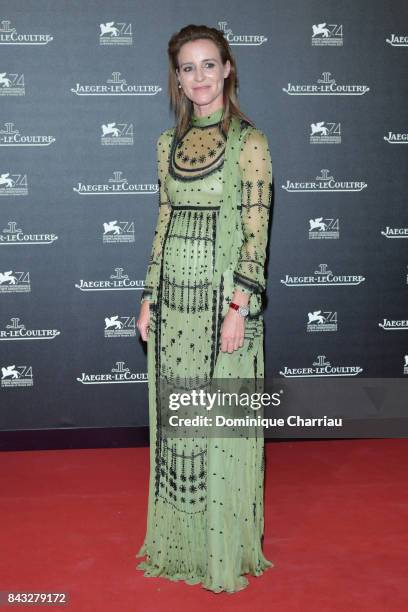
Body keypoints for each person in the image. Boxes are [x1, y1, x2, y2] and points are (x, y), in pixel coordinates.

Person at [135, 24, 274, 593]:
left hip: (222, 306)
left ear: (228, 68)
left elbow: (255, 233)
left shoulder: (251, 142)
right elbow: (163, 222)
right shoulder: (166, 145)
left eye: (208, 65)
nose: (199, 78)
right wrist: (148, 295)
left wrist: (239, 305)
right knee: (178, 432)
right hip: (174, 308)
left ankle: (222, 547)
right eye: (187, 68)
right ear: (177, 77)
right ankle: (182, 545)